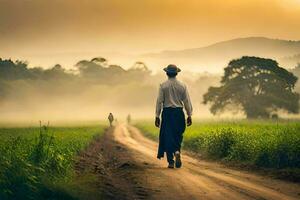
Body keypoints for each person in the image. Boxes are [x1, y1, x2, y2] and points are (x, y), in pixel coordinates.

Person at [155, 64, 193, 169]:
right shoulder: (182, 86)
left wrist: (157, 116)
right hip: (179, 113)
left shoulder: (163, 86)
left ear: (167, 73)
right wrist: (189, 115)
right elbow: (187, 101)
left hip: (167, 113)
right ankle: (177, 151)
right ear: (177, 73)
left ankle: (171, 162)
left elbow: (159, 102)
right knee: (177, 135)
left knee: (167, 137)